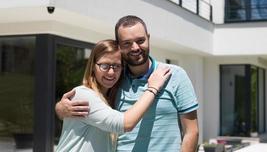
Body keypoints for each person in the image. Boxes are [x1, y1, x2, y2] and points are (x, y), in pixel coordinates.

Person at [56, 16, 199, 152]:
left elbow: (191, 131)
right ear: (119, 46)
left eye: (140, 40)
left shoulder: (174, 75)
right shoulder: (115, 80)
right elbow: (95, 102)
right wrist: (61, 109)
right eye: (127, 43)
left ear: (148, 38)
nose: (135, 47)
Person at [55, 39, 171, 152]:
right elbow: (125, 124)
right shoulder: (84, 95)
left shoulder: (110, 98)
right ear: (93, 67)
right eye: (104, 66)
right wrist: (152, 88)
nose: (111, 72)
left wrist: (58, 109)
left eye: (116, 66)